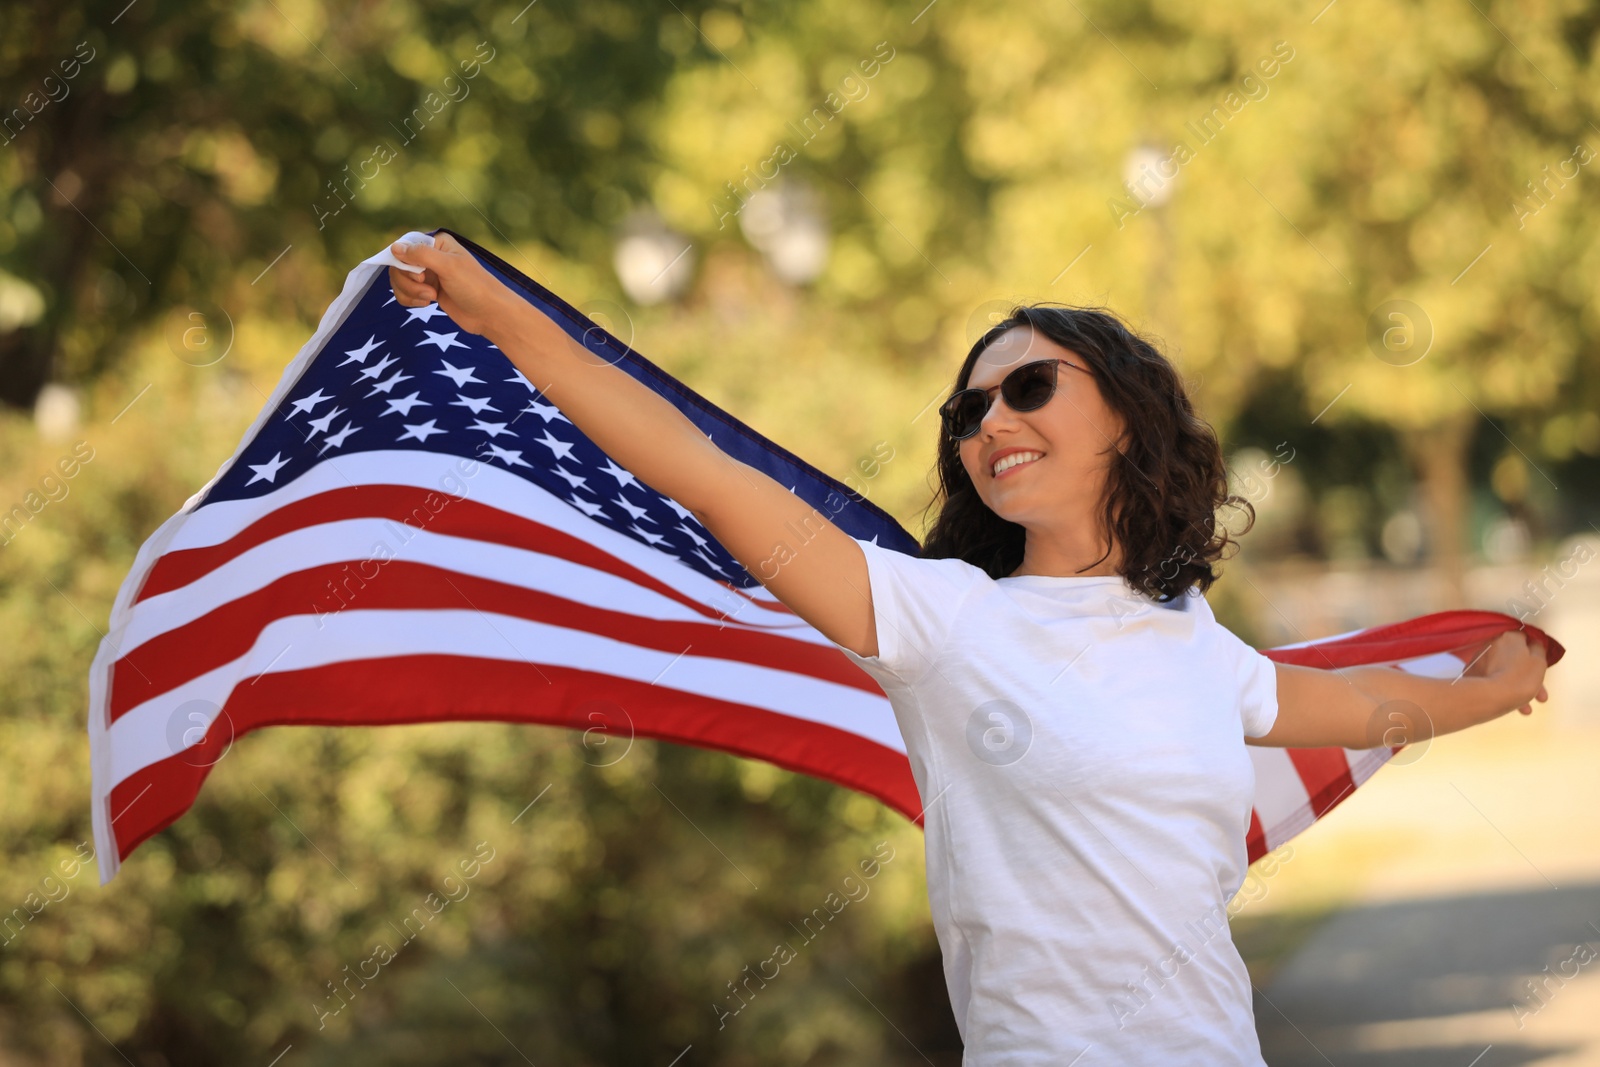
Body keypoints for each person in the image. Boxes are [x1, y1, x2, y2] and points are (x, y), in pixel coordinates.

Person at [388, 233, 1550, 1064]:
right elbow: (699, 467)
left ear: (1128, 419)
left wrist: (1494, 691)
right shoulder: (942, 619)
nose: (990, 419)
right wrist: (504, 319)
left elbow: (1364, 706)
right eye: (969, 408)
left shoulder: (1192, 643)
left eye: (1029, 384)